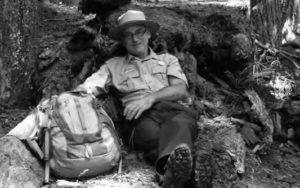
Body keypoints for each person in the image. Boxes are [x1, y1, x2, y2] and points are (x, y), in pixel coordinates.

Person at [76, 10, 198, 188]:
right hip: (139, 119)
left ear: (148, 34)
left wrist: (150, 98)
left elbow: (180, 90)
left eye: (139, 32)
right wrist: (66, 98)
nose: (135, 39)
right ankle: (185, 172)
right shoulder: (113, 65)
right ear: (123, 41)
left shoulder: (168, 60)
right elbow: (88, 88)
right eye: (128, 35)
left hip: (174, 111)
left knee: (179, 124)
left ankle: (168, 173)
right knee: (156, 135)